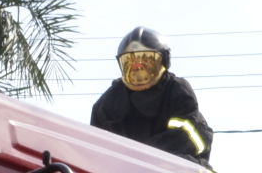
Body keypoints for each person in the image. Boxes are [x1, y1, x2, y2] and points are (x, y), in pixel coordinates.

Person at [88, 28, 214, 163]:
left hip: (176, 171)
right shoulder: (108, 103)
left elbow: (187, 138)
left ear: (164, 61)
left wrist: (140, 156)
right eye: (129, 63)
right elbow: (95, 149)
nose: (138, 70)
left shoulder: (177, 91)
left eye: (147, 62)